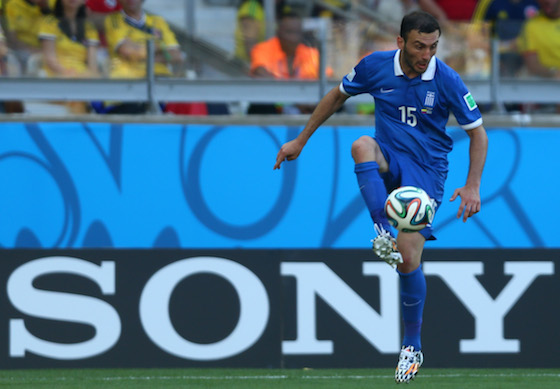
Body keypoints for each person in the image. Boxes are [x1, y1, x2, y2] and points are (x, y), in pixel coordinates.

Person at [273, 11, 488, 383]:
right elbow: (336, 96)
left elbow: (478, 134)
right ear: (401, 42)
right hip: (388, 158)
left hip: (426, 173)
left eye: (433, 46)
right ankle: (381, 229)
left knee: (408, 260)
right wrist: (300, 140)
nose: (427, 54)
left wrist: (472, 186)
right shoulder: (375, 66)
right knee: (360, 144)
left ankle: (412, 345)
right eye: (420, 46)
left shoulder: (447, 79)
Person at [102, 0, 183, 114]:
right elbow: (127, 51)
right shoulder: (113, 20)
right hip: (127, 85)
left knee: (193, 101)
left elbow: (176, 55)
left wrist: (138, 49)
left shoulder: (158, 21)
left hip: (161, 81)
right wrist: (159, 46)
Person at [249, 10, 333, 114]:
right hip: (275, 108)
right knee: (262, 105)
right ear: (278, 32)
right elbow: (262, 75)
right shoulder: (263, 49)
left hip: (306, 109)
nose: (293, 38)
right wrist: (296, 101)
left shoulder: (311, 54)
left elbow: (328, 80)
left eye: (297, 33)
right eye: (289, 32)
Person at [472, 0, 539, 77]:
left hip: (531, 69)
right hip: (497, 68)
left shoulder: (538, 3)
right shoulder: (490, 3)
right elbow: (474, 39)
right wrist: (507, 46)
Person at [4, 0, 55, 74]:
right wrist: (33, 50)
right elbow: (12, 38)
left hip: (51, 49)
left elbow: (58, 28)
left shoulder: (52, 3)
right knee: (31, 60)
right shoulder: (13, 4)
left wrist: (45, 9)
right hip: (22, 50)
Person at [518, 0, 560, 78]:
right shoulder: (530, 26)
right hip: (543, 80)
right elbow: (532, 64)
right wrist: (554, 73)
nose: (546, 1)